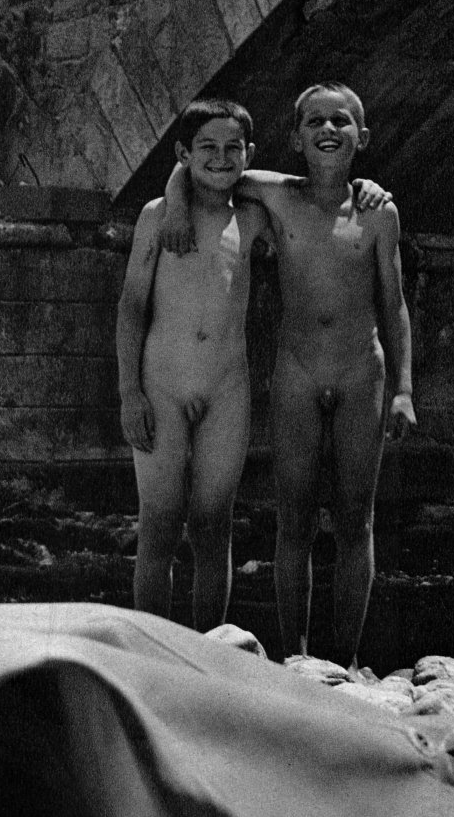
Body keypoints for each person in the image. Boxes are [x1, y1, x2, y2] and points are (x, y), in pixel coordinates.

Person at [161, 82, 415, 668]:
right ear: (296, 139)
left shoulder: (379, 213)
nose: (328, 130)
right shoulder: (276, 195)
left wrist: (403, 388)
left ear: (362, 137)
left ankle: (348, 659)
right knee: (293, 517)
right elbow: (203, 166)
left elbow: (394, 302)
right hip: (296, 371)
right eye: (315, 122)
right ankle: (297, 656)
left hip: (361, 371)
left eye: (340, 121)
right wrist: (175, 203)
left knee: (356, 520)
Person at [116, 98, 269, 631]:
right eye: (207, 148)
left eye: (233, 148)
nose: (221, 158)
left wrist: (368, 193)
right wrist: (129, 393)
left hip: (226, 389)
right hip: (162, 385)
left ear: (249, 154)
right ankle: (154, 648)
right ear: (184, 153)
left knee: (213, 525)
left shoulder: (252, 216)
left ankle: (209, 648)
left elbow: (298, 191)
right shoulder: (157, 216)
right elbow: (132, 307)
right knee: (158, 524)